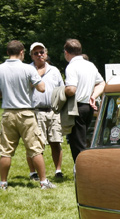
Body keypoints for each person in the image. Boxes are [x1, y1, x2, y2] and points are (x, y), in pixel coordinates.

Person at [0, 40, 52, 190]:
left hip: (8, 113)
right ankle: (43, 182)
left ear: (7, 52)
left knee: (5, 151)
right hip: (26, 114)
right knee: (35, 148)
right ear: (22, 52)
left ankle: (3, 183)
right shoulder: (28, 69)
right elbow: (42, 88)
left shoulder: (0, 69)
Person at [63, 38, 105, 164]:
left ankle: (82, 169)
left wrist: (60, 92)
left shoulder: (71, 67)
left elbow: (71, 90)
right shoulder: (90, 65)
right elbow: (102, 83)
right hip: (89, 107)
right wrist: (93, 96)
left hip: (77, 108)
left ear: (66, 52)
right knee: (85, 140)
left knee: (77, 144)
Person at [28, 43, 66, 181]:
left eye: (41, 52)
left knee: (56, 142)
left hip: (53, 111)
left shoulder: (54, 70)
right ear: (31, 55)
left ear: (46, 53)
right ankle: (34, 173)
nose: (39, 55)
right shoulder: (28, 70)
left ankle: (58, 171)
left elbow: (62, 90)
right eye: (36, 53)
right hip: (35, 111)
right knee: (35, 144)